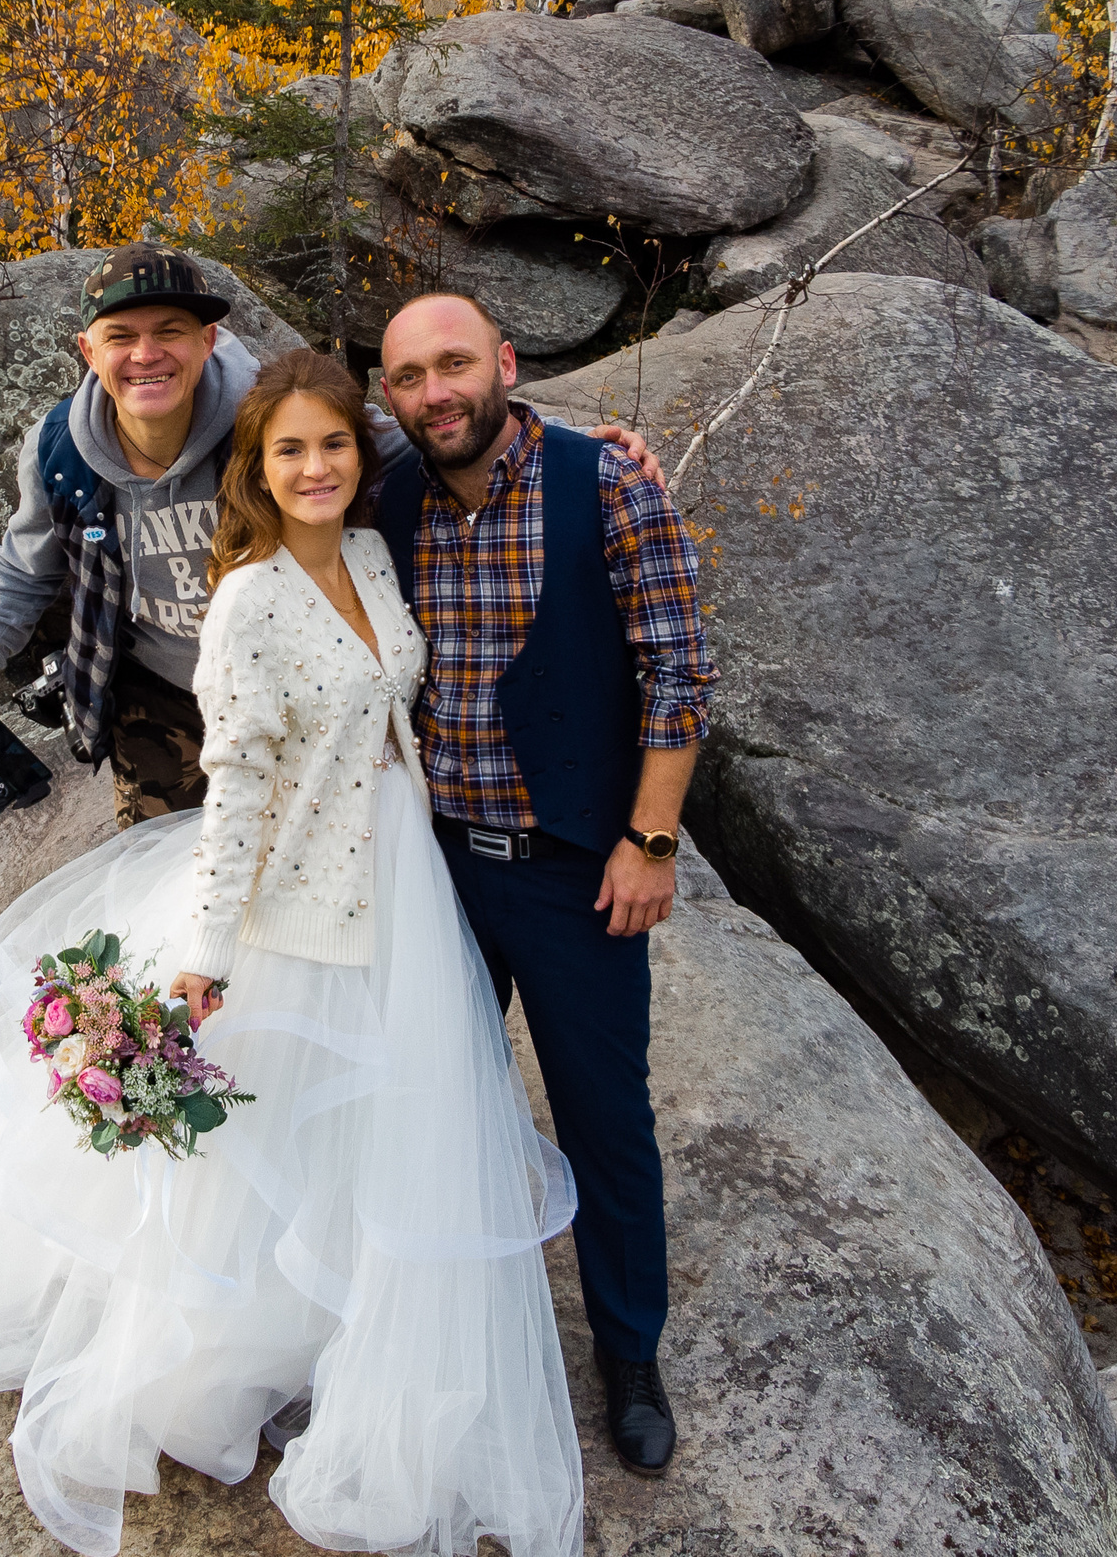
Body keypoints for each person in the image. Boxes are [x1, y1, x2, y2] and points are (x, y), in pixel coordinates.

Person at [0, 348, 586, 1557]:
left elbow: (468, 460)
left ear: (362, 455)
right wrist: (205, 952)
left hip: (399, 867)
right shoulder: (246, 599)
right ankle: (229, 1336)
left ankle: (354, 1313)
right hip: (290, 883)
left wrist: (587, 444)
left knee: (385, 1117)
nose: (314, 467)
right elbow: (235, 782)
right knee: (272, 1124)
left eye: (333, 446)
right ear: (255, 465)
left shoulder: (366, 550)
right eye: (287, 449)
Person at [0, 241, 660, 828]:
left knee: (304, 878)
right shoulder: (62, 451)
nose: (146, 354)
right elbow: (24, 569)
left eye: (170, 332)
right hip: (162, 695)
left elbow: (398, 440)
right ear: (89, 351)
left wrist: (559, 444)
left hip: (291, 685)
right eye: (122, 336)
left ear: (209, 338)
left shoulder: (270, 414)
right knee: (180, 892)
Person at [372, 291, 717, 1479]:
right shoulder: (390, 492)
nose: (436, 392)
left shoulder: (605, 482)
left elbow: (678, 669)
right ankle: (440, 1333)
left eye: (455, 365)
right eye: (409, 376)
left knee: (604, 1121)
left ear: (504, 364)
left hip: (576, 869)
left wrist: (652, 841)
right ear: (390, 396)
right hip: (435, 871)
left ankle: (628, 1352)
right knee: (430, 1111)